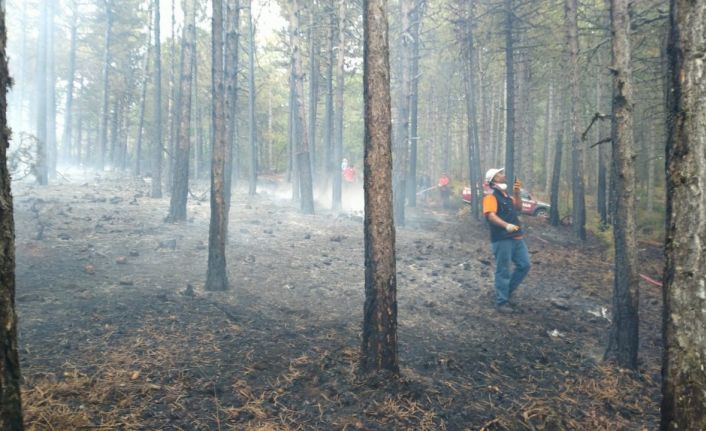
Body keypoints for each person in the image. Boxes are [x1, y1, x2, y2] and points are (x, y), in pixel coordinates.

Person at [482, 167, 531, 313]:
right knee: (503, 269)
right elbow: (491, 216)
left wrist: (517, 192)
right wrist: (506, 225)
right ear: (494, 179)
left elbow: (519, 208)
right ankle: (502, 302)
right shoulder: (490, 197)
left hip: (517, 237)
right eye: (500, 174)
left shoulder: (508, 197)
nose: (503, 175)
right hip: (502, 238)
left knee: (525, 265)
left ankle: (505, 292)